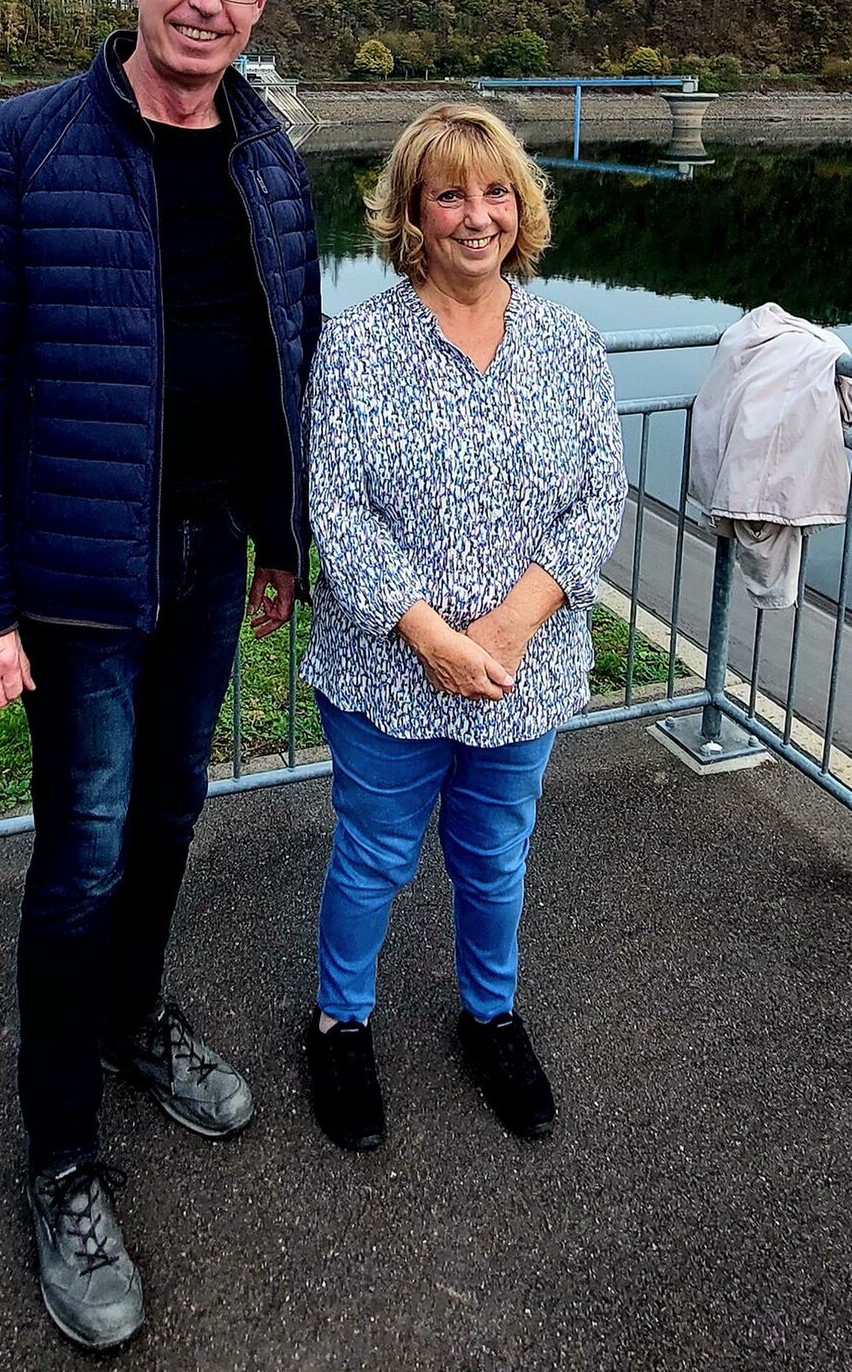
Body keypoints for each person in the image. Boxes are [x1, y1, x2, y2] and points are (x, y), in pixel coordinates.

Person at [0, 0, 321, 1350]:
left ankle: (132, 1015)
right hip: (79, 581)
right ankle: (60, 1163)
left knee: (168, 820)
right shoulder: (19, 148)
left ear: (262, 3)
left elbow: (292, 347)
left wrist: (282, 531)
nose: (209, 1)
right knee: (82, 857)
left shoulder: (271, 155)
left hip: (214, 557)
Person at [300, 104, 626, 1152]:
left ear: (520, 209)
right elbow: (336, 510)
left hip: (520, 673)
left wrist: (516, 619)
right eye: (447, 193)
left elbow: (598, 498)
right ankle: (337, 1025)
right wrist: (429, 635)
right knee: (374, 858)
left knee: (493, 858)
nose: (474, 215)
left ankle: (489, 1015)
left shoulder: (567, 343)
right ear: (409, 214)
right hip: (389, 673)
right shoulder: (353, 348)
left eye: (494, 192)